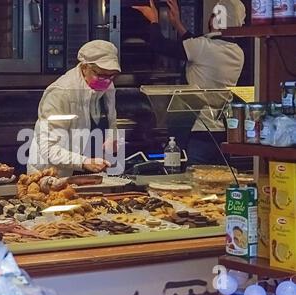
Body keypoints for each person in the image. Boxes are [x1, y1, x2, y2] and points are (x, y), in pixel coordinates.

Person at [133, 0, 245, 165]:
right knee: (216, 183)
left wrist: (154, 20)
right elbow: (198, 47)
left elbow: (160, 45)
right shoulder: (237, 51)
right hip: (221, 130)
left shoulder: (203, 48)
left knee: (194, 182)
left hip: (197, 129)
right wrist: (178, 24)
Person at [27, 40, 121, 177]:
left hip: (92, 176)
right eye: (100, 74)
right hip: (52, 176)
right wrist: (84, 162)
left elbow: (111, 122)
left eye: (111, 76)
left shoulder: (107, 88)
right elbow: (48, 148)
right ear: (84, 67)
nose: (106, 80)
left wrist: (112, 137)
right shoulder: (60, 93)